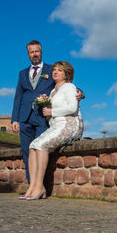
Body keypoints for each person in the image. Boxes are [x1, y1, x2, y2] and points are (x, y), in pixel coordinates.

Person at [11, 40, 83, 190]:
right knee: (27, 150)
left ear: (41, 52)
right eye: (32, 52)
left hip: (43, 116)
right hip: (25, 117)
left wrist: (81, 93)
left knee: (42, 147)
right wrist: (15, 119)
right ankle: (32, 184)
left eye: (37, 51)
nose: (35, 54)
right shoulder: (22, 73)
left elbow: (67, 84)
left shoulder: (52, 70)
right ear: (28, 54)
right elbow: (18, 96)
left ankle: (41, 185)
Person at [23, 61, 83, 200]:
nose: (55, 72)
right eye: (54, 70)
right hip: (56, 125)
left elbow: (72, 108)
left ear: (66, 74)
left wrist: (52, 111)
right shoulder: (53, 91)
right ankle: (33, 186)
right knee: (32, 146)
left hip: (69, 124)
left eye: (60, 70)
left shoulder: (69, 87)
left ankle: (39, 187)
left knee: (41, 145)